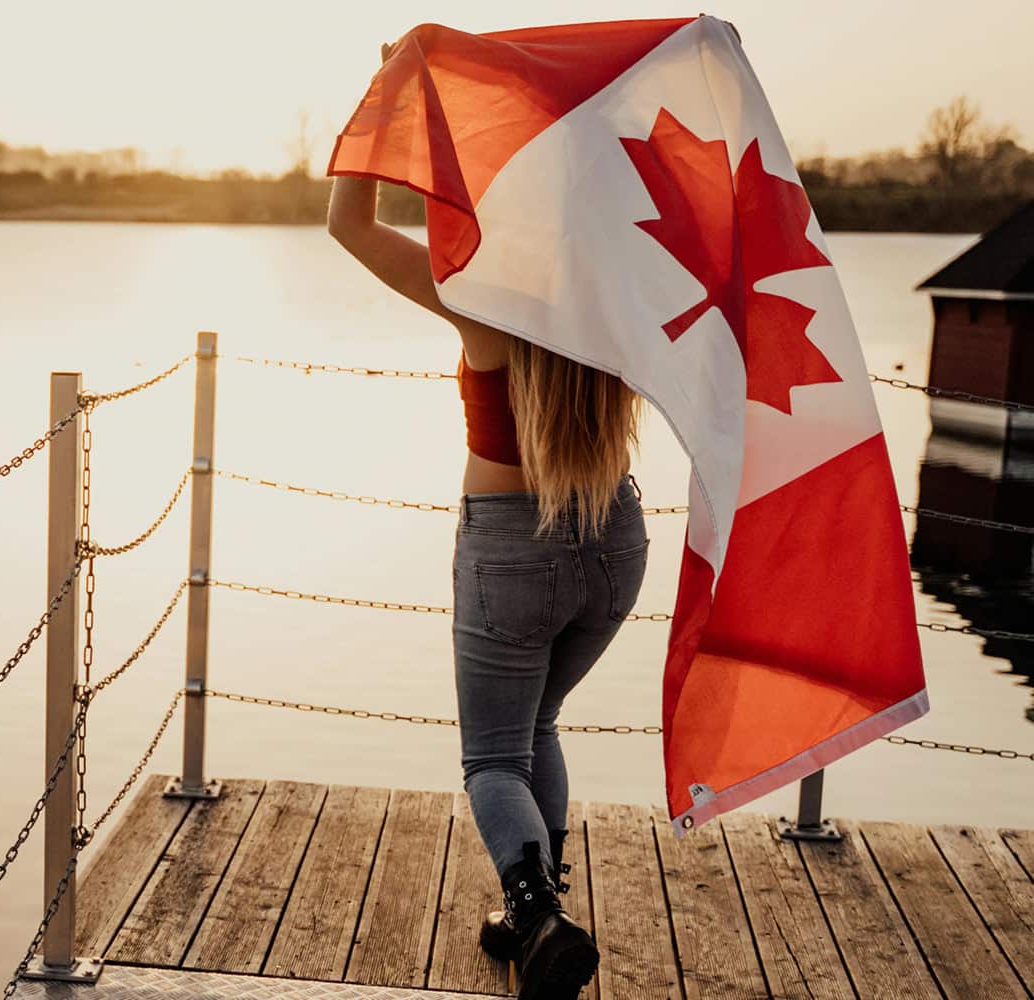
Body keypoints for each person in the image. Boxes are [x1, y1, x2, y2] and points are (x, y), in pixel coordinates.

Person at [322, 42, 648, 1000]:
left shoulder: (478, 298)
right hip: (616, 541)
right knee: (537, 723)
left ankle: (539, 916)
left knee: (494, 757)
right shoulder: (615, 293)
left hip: (511, 547)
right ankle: (531, 913)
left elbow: (348, 220)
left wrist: (394, 98)